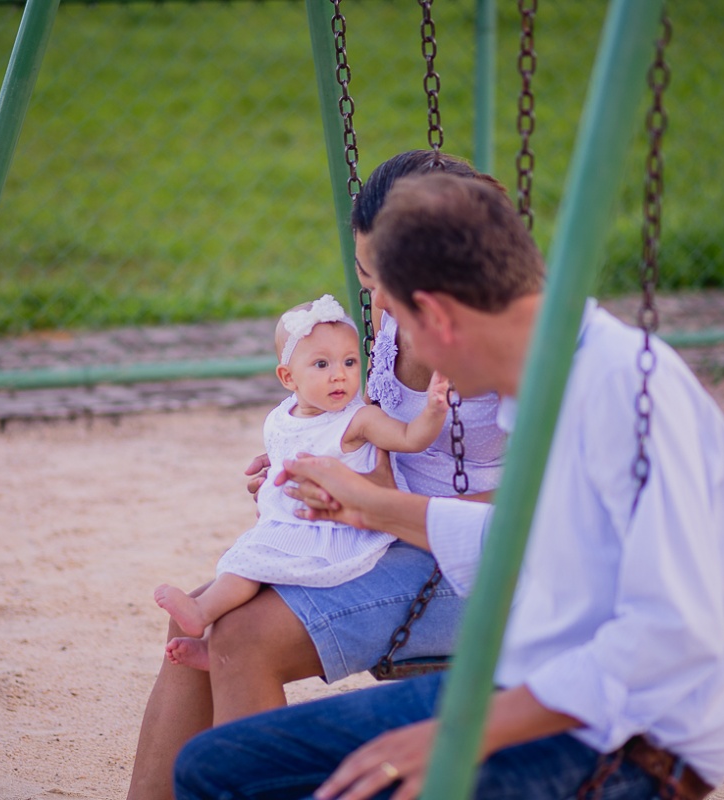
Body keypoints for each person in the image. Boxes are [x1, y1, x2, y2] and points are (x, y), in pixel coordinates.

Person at [172, 173, 724, 800]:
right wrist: (371, 507)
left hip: (627, 745)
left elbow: (672, 634)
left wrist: (461, 733)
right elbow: (531, 540)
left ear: (439, 316)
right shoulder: (541, 379)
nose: (398, 343)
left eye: (400, 318)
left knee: (252, 778)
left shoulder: (624, 394)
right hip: (524, 686)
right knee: (217, 764)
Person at [126, 151, 509, 800]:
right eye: (367, 276)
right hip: (384, 532)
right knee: (195, 618)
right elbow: (374, 426)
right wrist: (308, 461)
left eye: (391, 277)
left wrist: (366, 500)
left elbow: (542, 512)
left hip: (469, 562)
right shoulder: (395, 311)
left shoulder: (510, 346)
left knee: (243, 637)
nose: (378, 299)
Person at [155, 293, 450, 650]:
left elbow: (410, 437)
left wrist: (433, 410)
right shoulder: (282, 416)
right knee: (246, 567)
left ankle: (201, 613)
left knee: (250, 567)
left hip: (330, 531)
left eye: (350, 362)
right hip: (289, 524)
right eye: (322, 365)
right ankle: (211, 647)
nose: (339, 375)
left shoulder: (359, 419)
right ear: (287, 377)